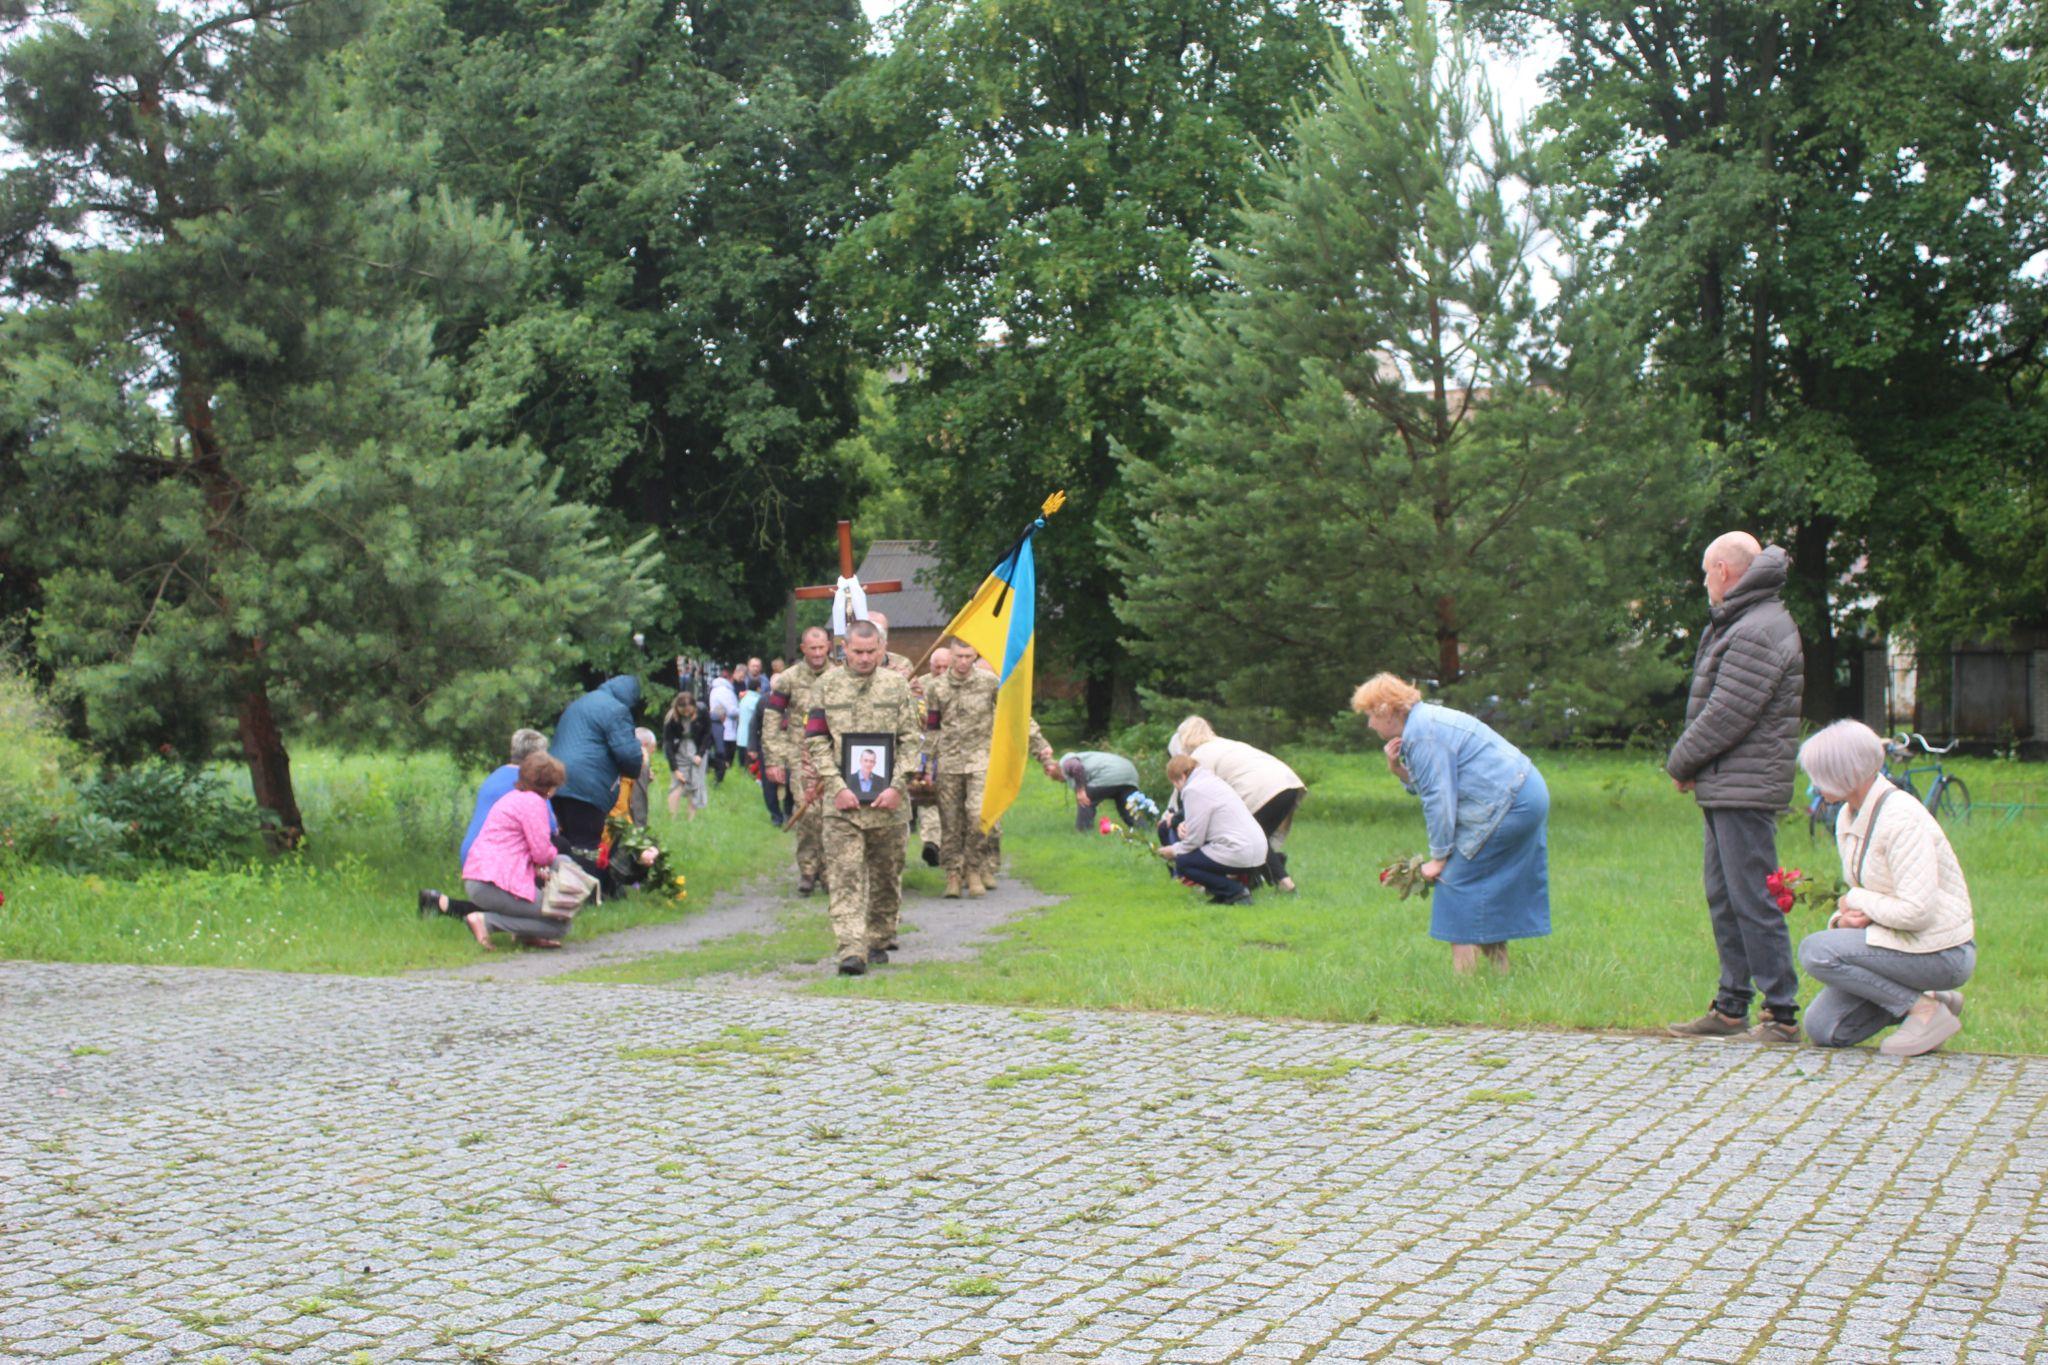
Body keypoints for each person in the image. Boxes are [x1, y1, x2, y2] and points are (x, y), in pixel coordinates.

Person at [1664, 533, 1806, 1043]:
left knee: (1752, 897)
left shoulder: (1758, 628)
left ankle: (1782, 1014)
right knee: (1725, 896)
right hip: (1729, 782)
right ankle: (1730, 1008)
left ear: (1723, 570)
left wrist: (1681, 762)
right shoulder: (1748, 620)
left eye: (1706, 573)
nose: (1705, 583)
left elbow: (1727, 712)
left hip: (1745, 786)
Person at [1795, 722, 1975, 1056]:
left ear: (1844, 772)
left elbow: (1916, 910)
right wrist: (1843, 919)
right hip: (1898, 943)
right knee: (1825, 1028)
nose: (1815, 787)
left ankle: (1923, 1011)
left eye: (1819, 775)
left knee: (1815, 951)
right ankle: (1933, 1002)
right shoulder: (1849, 815)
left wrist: (1856, 900)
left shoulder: (1901, 818)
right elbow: (1870, 894)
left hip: (1942, 951)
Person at [1353, 674, 1551, 973]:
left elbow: (1439, 799)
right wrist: (1398, 769)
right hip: (1523, 793)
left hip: (1511, 803)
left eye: (1370, 716)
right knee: (1484, 886)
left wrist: (1439, 858)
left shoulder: (1422, 733)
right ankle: (1501, 971)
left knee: (1456, 883)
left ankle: (1464, 984)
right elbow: (1435, 783)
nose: (1369, 724)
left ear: (1387, 710)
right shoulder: (1423, 724)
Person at [803, 620, 922, 974]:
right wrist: (835, 785)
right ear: (844, 648)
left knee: (886, 876)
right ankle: (851, 949)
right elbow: (816, 739)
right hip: (843, 805)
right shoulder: (825, 687)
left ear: (882, 648)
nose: (865, 658)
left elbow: (912, 740)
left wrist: (897, 786)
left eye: (872, 652)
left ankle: (879, 937)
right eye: (857, 652)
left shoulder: (897, 686)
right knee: (845, 876)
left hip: (888, 806)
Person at [922, 638, 1060, 899]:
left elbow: (1015, 714)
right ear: (950, 656)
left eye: (968, 656)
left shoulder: (989, 683)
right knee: (950, 824)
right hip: (949, 764)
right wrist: (925, 766)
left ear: (975, 656)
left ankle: (974, 868)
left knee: (977, 816)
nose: (963, 662)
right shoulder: (936, 688)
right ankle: (953, 873)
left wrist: (1040, 746)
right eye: (959, 656)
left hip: (980, 761)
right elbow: (932, 729)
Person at [419, 753, 572, 950]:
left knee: (560, 863)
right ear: (549, 786)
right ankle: (486, 922)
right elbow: (542, 853)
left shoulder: (512, 798)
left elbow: (517, 851)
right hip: (496, 884)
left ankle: (527, 935)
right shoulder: (534, 803)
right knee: (561, 920)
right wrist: (550, 859)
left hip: (480, 878)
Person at [1168, 718, 1308, 892]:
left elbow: (1200, 796)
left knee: (1246, 837)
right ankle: (1272, 881)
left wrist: (1176, 818)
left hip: (1260, 789)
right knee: (1257, 837)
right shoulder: (1226, 744)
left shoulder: (1198, 757)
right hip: (1288, 784)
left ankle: (1274, 883)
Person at [765, 626, 837, 895]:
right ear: (803, 649)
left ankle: (829, 871)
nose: (818, 653)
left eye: (821, 648)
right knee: (807, 811)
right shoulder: (788, 679)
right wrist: (773, 758)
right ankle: (808, 869)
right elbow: (772, 718)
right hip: (800, 753)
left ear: (828, 646)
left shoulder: (841, 676)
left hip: (833, 753)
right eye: (812, 648)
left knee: (830, 814)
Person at [549, 676, 645, 876]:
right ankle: (587, 894)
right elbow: (629, 755)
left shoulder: (579, 704)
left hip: (555, 781)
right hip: (587, 786)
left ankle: (559, 889)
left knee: (564, 841)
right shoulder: (616, 710)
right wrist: (635, 767)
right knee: (586, 844)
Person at [1155, 756, 1267, 905]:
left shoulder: (1193, 789)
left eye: (1175, 783)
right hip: (1258, 849)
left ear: (1181, 777)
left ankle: (1236, 892)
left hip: (1239, 851)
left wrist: (1173, 850)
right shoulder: (1212, 781)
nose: (1177, 788)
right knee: (1200, 855)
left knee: (1184, 862)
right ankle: (1222, 895)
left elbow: (1194, 840)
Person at [459, 728, 553, 863]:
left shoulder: (494, 776)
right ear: (537, 758)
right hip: (494, 859)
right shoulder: (532, 782)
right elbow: (549, 826)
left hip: (470, 853)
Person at [1060, 751, 1143, 833]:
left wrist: (1081, 791)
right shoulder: (1085, 757)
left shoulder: (1065, 762)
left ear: (1050, 768)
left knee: (1085, 798)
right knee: (1128, 807)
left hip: (1110, 773)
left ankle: (1084, 832)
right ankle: (1144, 831)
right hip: (1129, 773)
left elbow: (1077, 767)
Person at [662, 691, 710, 820]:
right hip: (679, 751)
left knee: (695, 784)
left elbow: (707, 734)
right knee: (677, 783)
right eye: (683, 713)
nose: (687, 715)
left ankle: (691, 820)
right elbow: (668, 744)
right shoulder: (671, 718)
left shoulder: (703, 711)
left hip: (698, 749)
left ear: (694, 707)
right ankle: (672, 818)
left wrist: (700, 755)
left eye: (690, 711)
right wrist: (675, 769)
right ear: (677, 709)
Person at [707, 665, 741, 784]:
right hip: (727, 728)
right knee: (724, 756)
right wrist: (743, 710)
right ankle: (719, 778)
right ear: (730, 677)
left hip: (720, 726)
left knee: (718, 752)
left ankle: (717, 775)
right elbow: (731, 710)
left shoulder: (715, 689)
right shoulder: (724, 691)